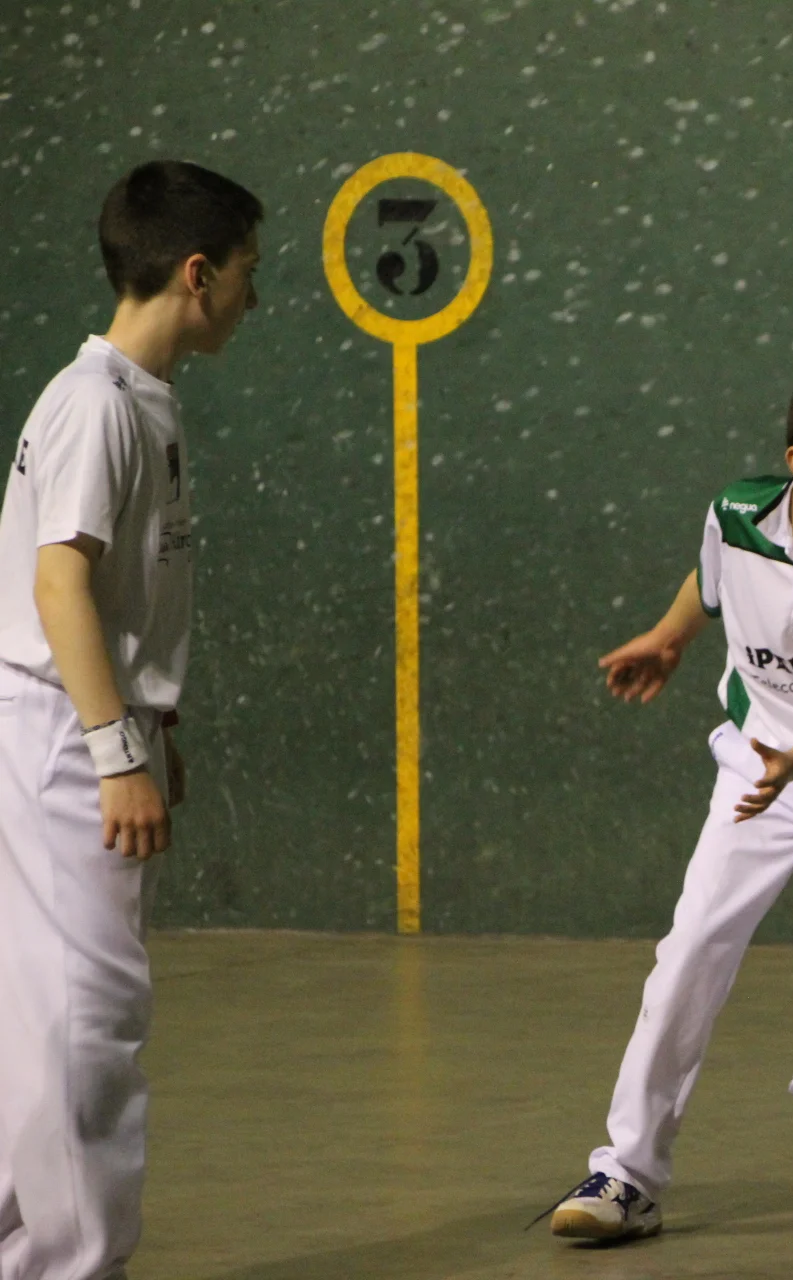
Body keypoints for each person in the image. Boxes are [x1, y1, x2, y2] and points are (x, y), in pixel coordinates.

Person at [549, 358, 793, 1242]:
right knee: (690, 951)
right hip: (759, 764)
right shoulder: (735, 513)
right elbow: (711, 580)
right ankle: (628, 1176)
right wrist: (670, 635)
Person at [0, 160, 261, 1280]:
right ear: (197, 275)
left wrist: (156, 729)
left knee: (47, 1017)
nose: (255, 295)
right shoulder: (98, 405)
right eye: (248, 271)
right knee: (85, 1020)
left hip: (87, 724)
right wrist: (117, 752)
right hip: (64, 734)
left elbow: (117, 598)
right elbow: (59, 583)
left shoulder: (136, 398)